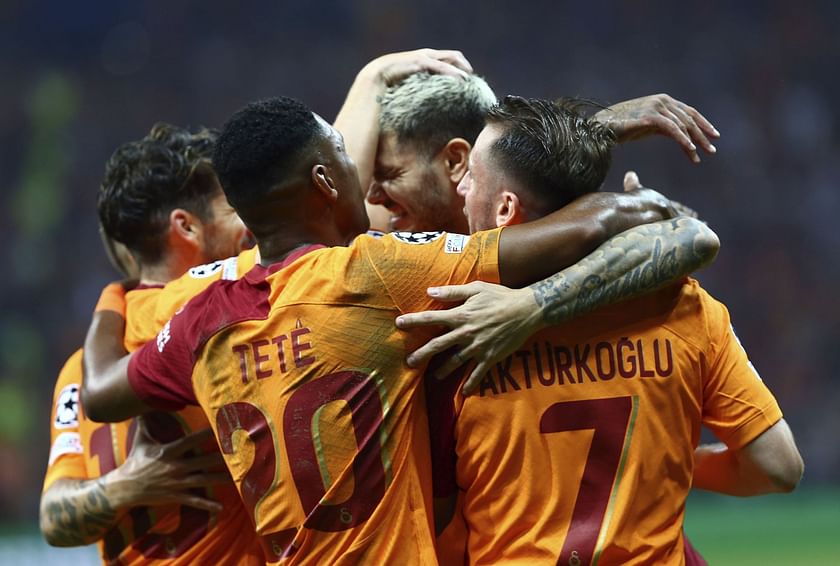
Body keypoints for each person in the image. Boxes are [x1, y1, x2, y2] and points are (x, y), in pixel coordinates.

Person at [80, 96, 718, 564]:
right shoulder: (373, 273)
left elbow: (104, 390)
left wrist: (112, 296)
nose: (372, 187)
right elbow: (606, 221)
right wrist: (598, 149)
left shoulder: (199, 320)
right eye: (349, 163)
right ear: (327, 181)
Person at [396, 96, 804, 564]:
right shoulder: (685, 306)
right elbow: (777, 467)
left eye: (472, 175)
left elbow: (436, 518)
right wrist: (676, 462)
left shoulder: (452, 325)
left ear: (506, 209)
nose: (461, 187)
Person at [39, 123, 264, 565]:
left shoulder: (84, 363)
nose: (250, 222)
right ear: (187, 227)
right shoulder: (222, 320)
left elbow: (55, 517)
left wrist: (117, 488)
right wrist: (131, 483)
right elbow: (310, 224)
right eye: (233, 207)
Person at [334, 51, 720, 234]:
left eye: (389, 173)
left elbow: (329, 225)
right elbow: (324, 219)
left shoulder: (536, 236)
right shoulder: (398, 236)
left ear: (456, 161)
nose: (371, 197)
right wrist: (372, 76)